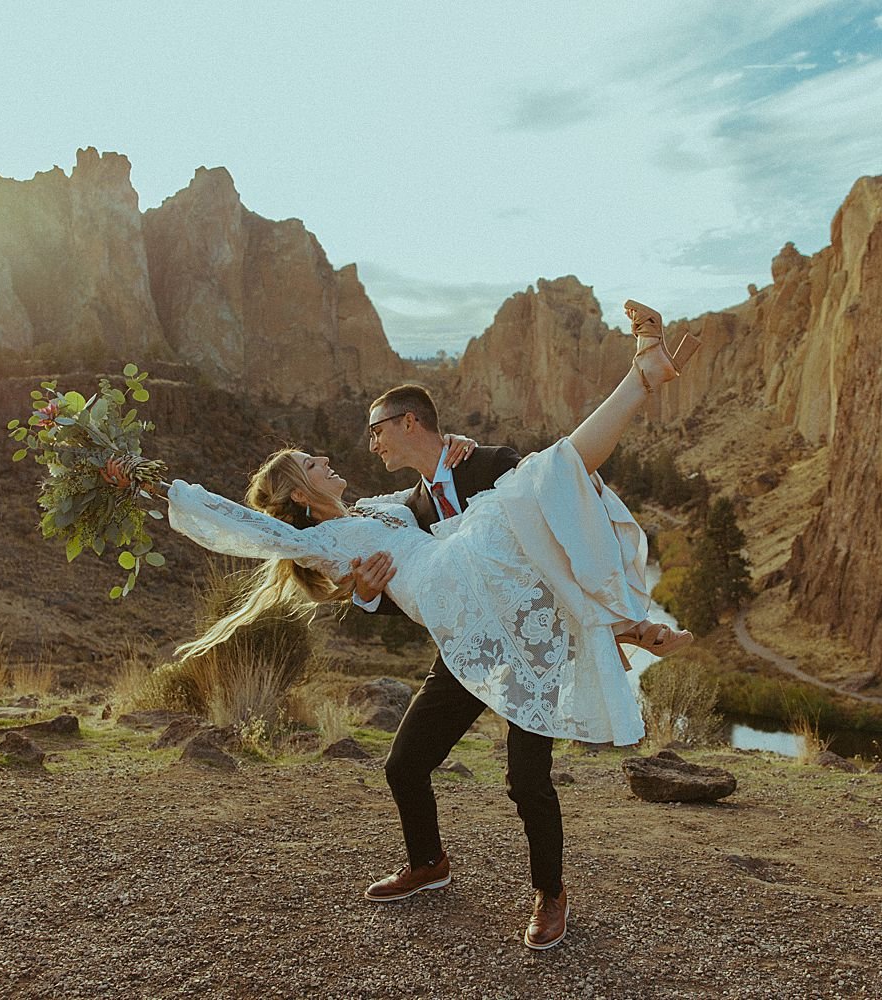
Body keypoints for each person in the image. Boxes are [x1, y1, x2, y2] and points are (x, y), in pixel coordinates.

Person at [160, 300, 701, 950]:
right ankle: (428, 865)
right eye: (311, 461)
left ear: (409, 424)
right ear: (300, 495)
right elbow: (251, 529)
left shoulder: (384, 504)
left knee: (527, 778)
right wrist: (156, 489)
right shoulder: (319, 540)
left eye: (371, 435)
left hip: (500, 617)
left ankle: (551, 893)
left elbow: (426, 502)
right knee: (404, 765)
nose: (338, 453)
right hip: (460, 625)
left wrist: (454, 453)